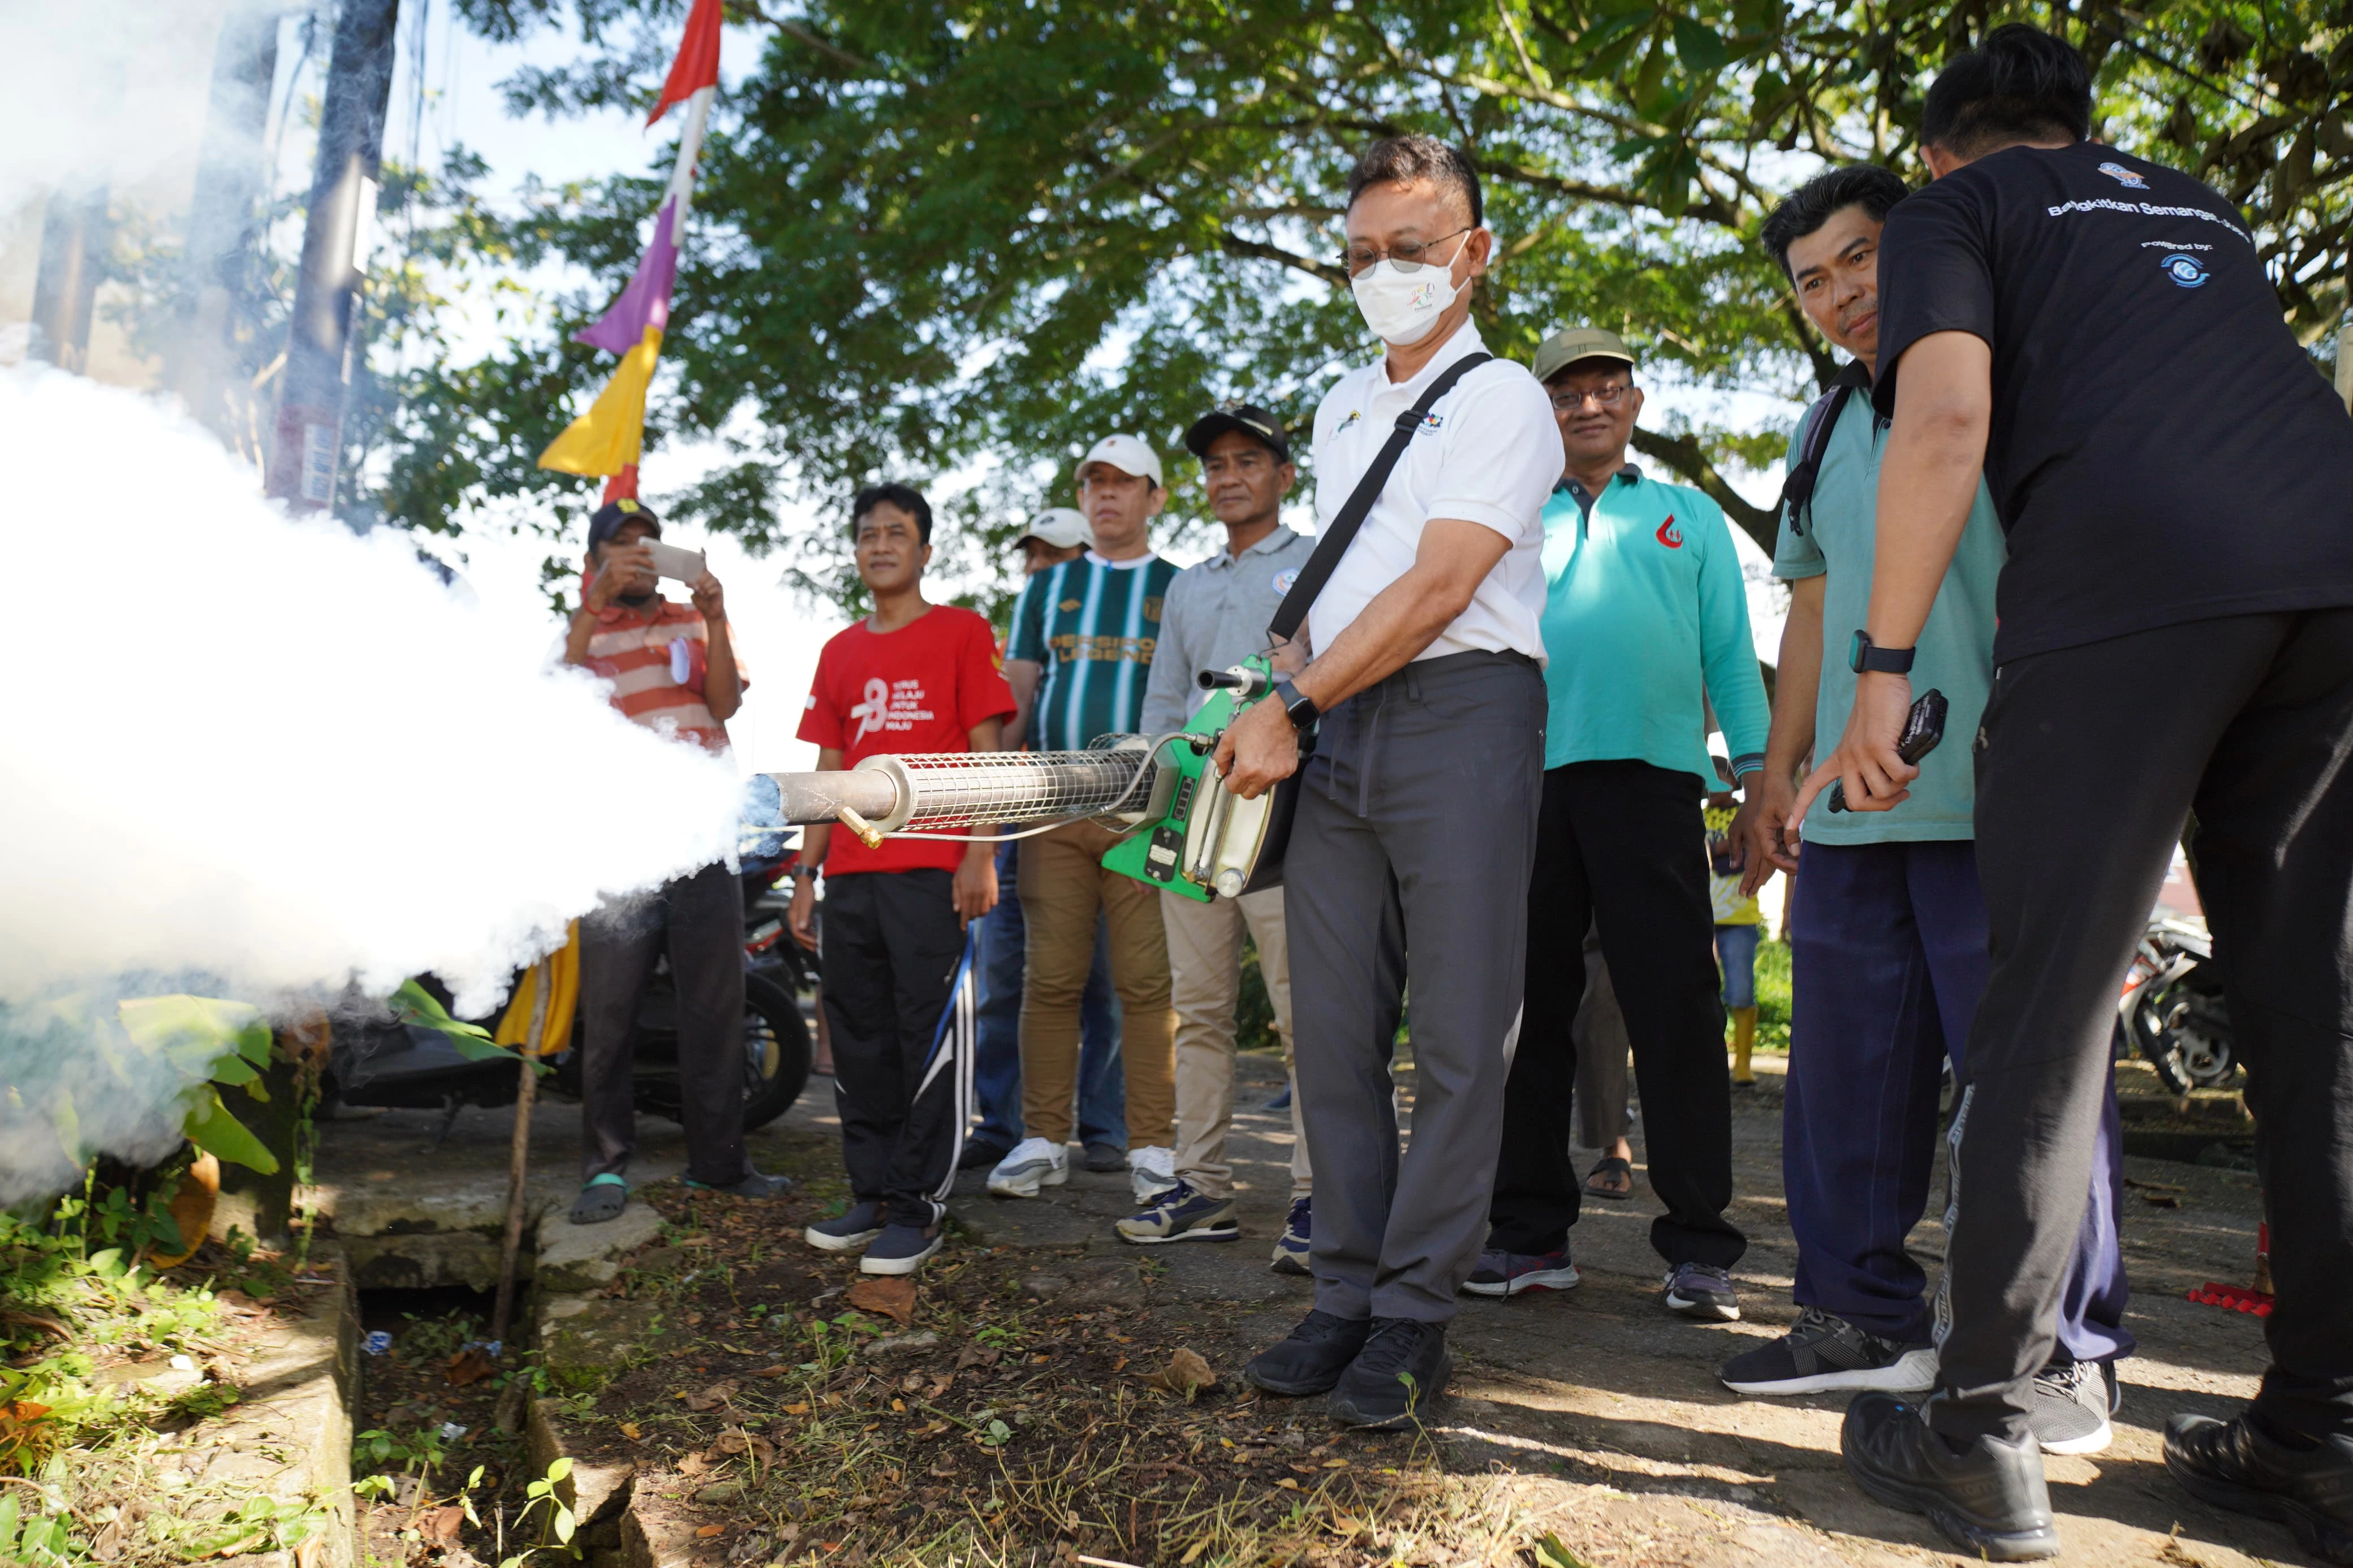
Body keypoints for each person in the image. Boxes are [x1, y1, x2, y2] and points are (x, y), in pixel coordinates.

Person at [1799, 28, 2353, 1561]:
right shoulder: (2199, 206)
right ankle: (2320, 1435)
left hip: (2128, 587)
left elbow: (1948, 422)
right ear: (2077, 122)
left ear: (1933, 155)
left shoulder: (1956, 217)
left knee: (2043, 1007)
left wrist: (1880, 670)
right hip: (2332, 575)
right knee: (2318, 1020)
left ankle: (1982, 1424)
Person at [1723, 165, 2134, 1452]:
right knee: (1841, 1085)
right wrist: (1778, 770)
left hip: (2000, 796)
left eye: (1861, 260)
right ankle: (1857, 1318)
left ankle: (2061, 1354)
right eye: (1813, 281)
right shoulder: (1817, 428)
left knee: (2031, 1080)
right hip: (1852, 808)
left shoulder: (2012, 379)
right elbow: (1805, 609)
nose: (1842, 296)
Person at [1216, 135, 1557, 1428]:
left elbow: (1440, 584)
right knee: (1333, 1032)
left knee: (1464, 1037)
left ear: (1474, 255)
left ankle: (1417, 1315)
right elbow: (1355, 582)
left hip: (1463, 709)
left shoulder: (1503, 397)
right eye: (1362, 254)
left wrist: (1296, 699)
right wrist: (1283, 678)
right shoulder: (1341, 405)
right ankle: (1344, 1293)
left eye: (1410, 252)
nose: (1384, 274)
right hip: (1340, 718)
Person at [1473, 325, 1768, 1311]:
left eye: (1608, 387)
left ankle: (1700, 1245)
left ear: (1635, 400)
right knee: (1528, 1010)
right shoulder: (1508, 516)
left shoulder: (1690, 514)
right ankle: (1527, 1236)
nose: (1589, 404)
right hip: (1527, 779)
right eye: (1568, 391)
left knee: (1676, 1007)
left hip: (1653, 779)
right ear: (1543, 408)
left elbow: (1730, 651)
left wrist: (1761, 770)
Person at [787, 485, 1014, 1275]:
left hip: (932, 867)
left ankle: (921, 1207)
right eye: (867, 534)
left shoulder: (961, 632)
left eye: (897, 533)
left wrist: (980, 854)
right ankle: (873, 1191)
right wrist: (806, 875)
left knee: (928, 1035)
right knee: (858, 1034)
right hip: (851, 872)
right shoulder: (839, 651)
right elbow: (827, 769)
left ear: (924, 550)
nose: (880, 545)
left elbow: (989, 752)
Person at [1118, 404, 1317, 1270]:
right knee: (1197, 1010)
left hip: (1288, 815)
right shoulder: (1188, 584)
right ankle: (1200, 1187)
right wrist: (1149, 800)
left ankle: (1322, 1197)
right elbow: (1164, 705)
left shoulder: (1317, 561)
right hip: (1193, 817)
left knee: (1307, 1014)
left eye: (1248, 460)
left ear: (1284, 475)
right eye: (1215, 465)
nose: (1229, 475)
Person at [560, 498, 790, 1224]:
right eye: (620, 544)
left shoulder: (691, 619)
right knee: (610, 1014)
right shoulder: (583, 631)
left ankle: (720, 1164)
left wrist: (717, 614)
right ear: (595, 560)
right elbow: (555, 707)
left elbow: (724, 704)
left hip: (702, 840)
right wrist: (593, 604)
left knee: (716, 1009)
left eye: (648, 542)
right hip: (620, 849)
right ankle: (604, 1167)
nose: (638, 553)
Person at [989, 438, 1182, 1206]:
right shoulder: (1048, 588)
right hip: (1053, 809)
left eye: (1124, 484)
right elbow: (1020, 698)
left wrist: (1180, 815)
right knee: (1052, 979)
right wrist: (993, 806)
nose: (1107, 497)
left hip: (1144, 811)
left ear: (1154, 498)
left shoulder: (1182, 584)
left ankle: (1154, 1148)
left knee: (1144, 985)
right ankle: (1041, 1139)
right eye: (1094, 484)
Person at [964, 509, 1129, 1177]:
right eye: (1032, 556)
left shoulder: (1117, 630)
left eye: (1054, 556)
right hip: (1014, 822)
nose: (1039, 567)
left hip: (1101, 819)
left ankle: (1104, 1126)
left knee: (1105, 984)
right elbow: (1001, 726)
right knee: (1005, 976)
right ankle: (1002, 1123)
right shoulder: (1019, 637)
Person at [1703, 767, 1761, 1086]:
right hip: (1701, 919)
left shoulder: (1747, 813)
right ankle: (1706, 1061)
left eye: (1721, 778)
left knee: (1740, 992)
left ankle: (1743, 1065)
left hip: (1740, 919)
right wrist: (1723, 847)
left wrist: (1718, 849)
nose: (1714, 785)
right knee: (1700, 994)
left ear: (1734, 781)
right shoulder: (1695, 816)